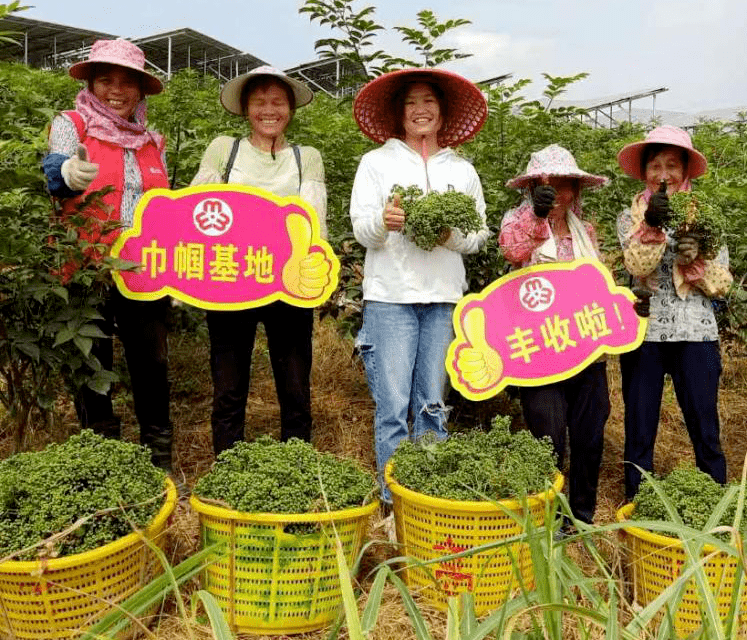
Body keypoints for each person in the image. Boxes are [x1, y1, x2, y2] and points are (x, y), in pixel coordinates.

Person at [349, 68, 490, 503]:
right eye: (411, 103)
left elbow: (479, 234)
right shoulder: (376, 163)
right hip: (390, 298)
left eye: (429, 101)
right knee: (392, 406)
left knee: (432, 402)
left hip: (443, 300)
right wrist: (384, 223)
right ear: (400, 113)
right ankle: (393, 502)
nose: (421, 110)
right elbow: (361, 229)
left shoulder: (461, 170)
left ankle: (426, 498)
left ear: (442, 112)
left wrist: (452, 235)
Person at [42, 38, 174, 472]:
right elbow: (56, 173)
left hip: (144, 270)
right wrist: (65, 174)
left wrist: (176, 273)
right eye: (106, 81)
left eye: (127, 82)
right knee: (93, 361)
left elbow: (165, 210)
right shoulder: (73, 124)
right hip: (86, 266)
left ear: (140, 90)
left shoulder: (151, 141)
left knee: (150, 361)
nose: (116, 90)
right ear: (92, 84)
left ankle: (156, 453)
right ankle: (103, 453)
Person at [191, 66, 326, 456]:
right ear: (246, 108)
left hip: (289, 285)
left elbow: (314, 222)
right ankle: (229, 465)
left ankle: (297, 463)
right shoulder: (224, 149)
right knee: (229, 384)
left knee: (295, 385)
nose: (269, 110)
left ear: (290, 109)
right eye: (260, 102)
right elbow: (198, 211)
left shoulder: (307, 158)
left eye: (278, 102)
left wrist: (316, 277)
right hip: (231, 281)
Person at [616, 126, 732, 500]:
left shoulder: (706, 217)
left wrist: (696, 259)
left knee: (704, 424)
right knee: (640, 424)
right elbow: (637, 266)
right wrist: (652, 224)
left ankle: (715, 501)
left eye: (671, 165)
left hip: (695, 331)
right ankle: (638, 502)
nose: (662, 174)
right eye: (655, 166)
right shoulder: (630, 217)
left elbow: (722, 282)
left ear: (685, 171)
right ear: (644, 171)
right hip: (644, 332)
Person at [499, 145, 610, 527]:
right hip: (539, 352)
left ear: (576, 190)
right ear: (533, 188)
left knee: (589, 434)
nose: (559, 194)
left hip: (585, 349)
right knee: (547, 435)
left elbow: (597, 285)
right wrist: (538, 214)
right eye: (549, 186)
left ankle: (580, 517)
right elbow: (513, 252)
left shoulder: (585, 232)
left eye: (566, 186)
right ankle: (546, 518)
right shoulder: (518, 222)